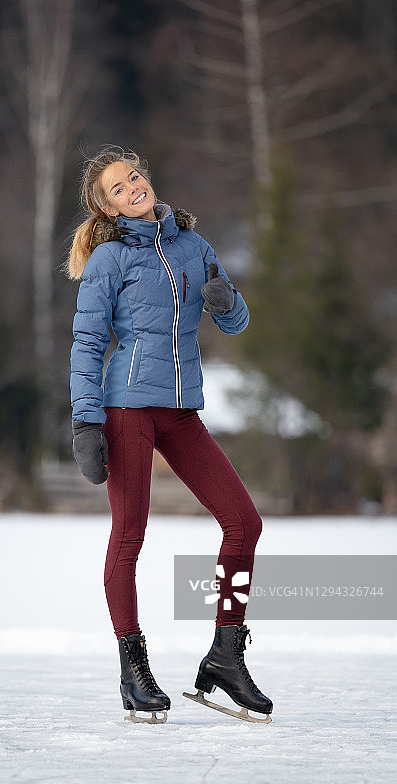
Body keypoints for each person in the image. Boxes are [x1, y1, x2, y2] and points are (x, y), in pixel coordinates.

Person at [67, 145, 272, 725]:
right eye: (117, 187)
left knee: (244, 522)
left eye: (134, 176)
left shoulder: (193, 246)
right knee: (130, 535)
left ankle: (226, 655)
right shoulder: (110, 259)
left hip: (181, 410)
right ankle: (134, 668)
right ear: (107, 208)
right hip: (127, 408)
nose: (132, 186)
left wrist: (226, 302)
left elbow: (236, 317)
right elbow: (86, 344)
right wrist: (86, 421)